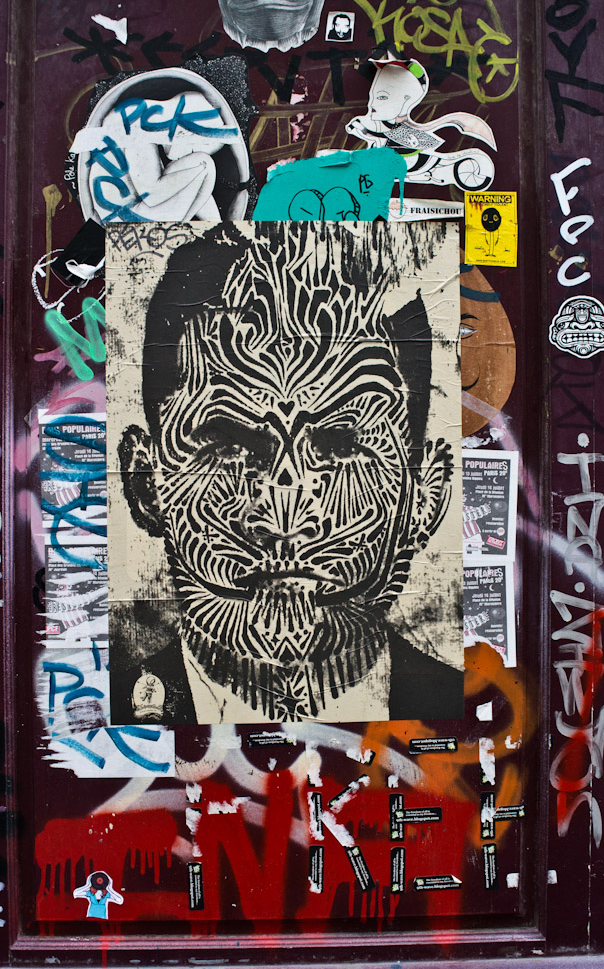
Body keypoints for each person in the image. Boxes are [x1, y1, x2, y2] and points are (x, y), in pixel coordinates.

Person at [110, 223, 463, 724]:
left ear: (426, 494)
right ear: (146, 483)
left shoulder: (467, 711)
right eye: (228, 446)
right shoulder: (106, 715)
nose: (284, 518)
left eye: (340, 446)